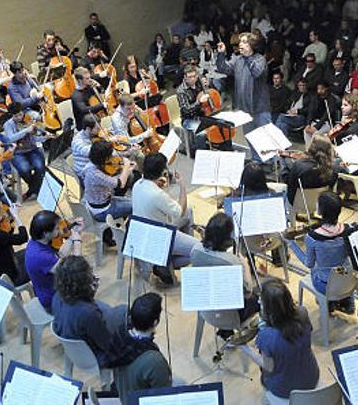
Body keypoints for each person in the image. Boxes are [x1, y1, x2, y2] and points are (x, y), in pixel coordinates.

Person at [239, 279, 319, 404]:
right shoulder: (303, 312)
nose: (259, 301)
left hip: (285, 390)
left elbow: (269, 367)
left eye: (262, 299)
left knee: (265, 375)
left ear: (270, 308)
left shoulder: (266, 336)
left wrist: (247, 349)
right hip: (311, 376)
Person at [131, 153, 199, 283]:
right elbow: (179, 211)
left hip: (145, 230)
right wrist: (182, 186)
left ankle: (169, 256)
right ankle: (165, 263)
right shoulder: (157, 195)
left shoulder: (138, 184)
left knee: (189, 211)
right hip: (161, 235)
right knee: (199, 250)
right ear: (162, 171)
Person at [51, 255, 127, 368]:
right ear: (83, 281)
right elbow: (107, 344)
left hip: (72, 339)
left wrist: (89, 295)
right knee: (123, 311)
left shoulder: (57, 296)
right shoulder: (89, 313)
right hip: (93, 356)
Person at [190, 213, 261, 331]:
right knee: (264, 294)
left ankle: (224, 332)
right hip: (231, 315)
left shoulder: (195, 250)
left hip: (205, 305)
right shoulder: (232, 262)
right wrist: (244, 263)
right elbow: (248, 292)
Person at [287, 192, 355, 314]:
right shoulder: (348, 229)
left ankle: (328, 303)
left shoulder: (312, 238)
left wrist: (291, 243)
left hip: (325, 285)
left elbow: (308, 263)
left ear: (320, 211)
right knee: (342, 264)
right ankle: (346, 300)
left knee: (316, 269)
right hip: (347, 279)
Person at [216, 33, 270, 160]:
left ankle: (271, 163)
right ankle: (257, 162)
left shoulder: (260, 59)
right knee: (250, 137)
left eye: (244, 42)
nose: (240, 44)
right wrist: (221, 54)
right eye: (240, 41)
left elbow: (256, 73)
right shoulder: (237, 59)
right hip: (244, 109)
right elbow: (223, 68)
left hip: (260, 108)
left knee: (265, 138)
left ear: (252, 45)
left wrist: (248, 56)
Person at [111, 293, 173, 404]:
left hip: (123, 393)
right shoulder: (154, 361)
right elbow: (164, 396)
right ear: (155, 322)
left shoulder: (118, 335)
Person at [25, 210, 82, 311]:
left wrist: (73, 236)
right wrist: (77, 242)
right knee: (85, 282)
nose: (60, 230)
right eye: (56, 228)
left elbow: (59, 256)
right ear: (46, 233)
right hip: (53, 300)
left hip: (51, 286)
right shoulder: (40, 256)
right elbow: (77, 268)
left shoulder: (36, 241)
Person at [1, 103, 47, 201]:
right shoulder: (8, 125)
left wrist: (43, 135)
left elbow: (35, 136)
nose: (19, 117)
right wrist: (26, 130)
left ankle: (31, 191)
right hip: (18, 152)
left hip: (32, 148)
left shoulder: (28, 119)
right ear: (11, 115)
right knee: (24, 169)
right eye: (16, 116)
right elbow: (11, 138)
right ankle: (37, 189)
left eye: (20, 114)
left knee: (40, 166)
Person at [83, 141, 136, 221]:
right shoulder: (94, 173)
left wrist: (127, 170)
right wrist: (126, 166)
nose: (111, 158)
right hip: (102, 211)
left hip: (106, 199)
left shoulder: (92, 164)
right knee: (136, 206)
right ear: (105, 158)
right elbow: (120, 184)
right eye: (110, 156)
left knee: (133, 202)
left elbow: (111, 180)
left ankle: (123, 217)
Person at [282, 134, 336, 205]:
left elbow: (288, 181)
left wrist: (283, 162)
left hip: (296, 204)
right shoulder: (333, 169)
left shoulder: (299, 165)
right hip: (319, 204)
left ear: (312, 147)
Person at [176, 65, 217, 156]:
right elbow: (186, 110)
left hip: (202, 114)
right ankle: (202, 155)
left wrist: (208, 85)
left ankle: (216, 148)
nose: (193, 79)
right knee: (201, 133)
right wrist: (198, 102)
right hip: (189, 119)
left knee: (220, 123)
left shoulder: (199, 82)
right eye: (189, 77)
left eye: (194, 76)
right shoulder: (181, 91)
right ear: (185, 77)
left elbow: (212, 94)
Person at [302, 80, 340, 146]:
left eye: (321, 88)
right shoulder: (315, 98)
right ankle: (308, 150)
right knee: (306, 132)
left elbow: (327, 115)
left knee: (316, 134)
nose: (319, 91)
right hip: (315, 122)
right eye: (318, 89)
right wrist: (308, 124)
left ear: (326, 88)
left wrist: (316, 127)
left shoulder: (331, 99)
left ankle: (314, 152)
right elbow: (311, 112)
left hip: (326, 123)